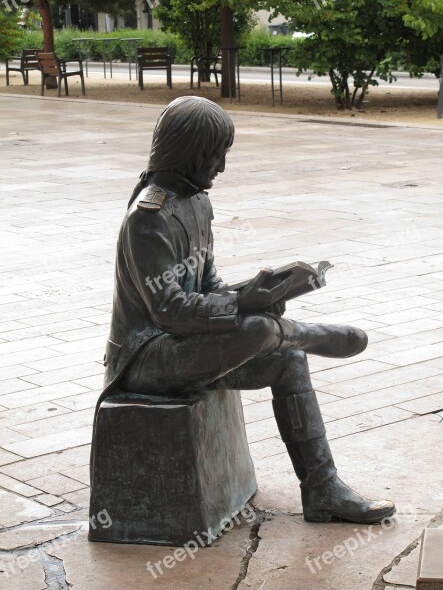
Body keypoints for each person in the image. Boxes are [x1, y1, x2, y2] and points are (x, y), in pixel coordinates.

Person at [101, 96, 395, 525]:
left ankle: (323, 489)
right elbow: (169, 312)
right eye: (216, 154)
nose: (221, 166)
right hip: (146, 358)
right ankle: (297, 332)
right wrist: (243, 306)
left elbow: (206, 285)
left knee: (286, 358)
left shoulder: (196, 203)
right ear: (188, 150)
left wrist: (260, 292)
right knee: (260, 331)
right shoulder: (149, 217)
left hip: (183, 344)